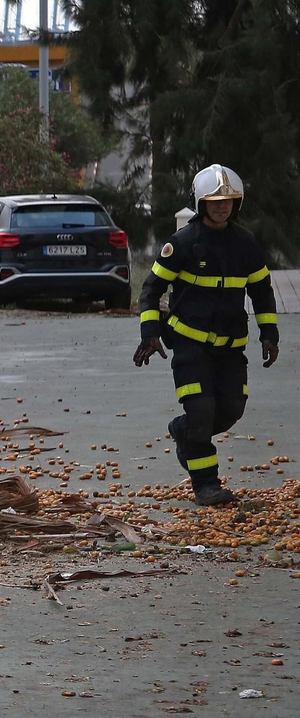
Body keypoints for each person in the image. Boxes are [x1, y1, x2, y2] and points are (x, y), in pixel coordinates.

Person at [134, 165, 279, 506]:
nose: (221, 205)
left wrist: (269, 333)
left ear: (236, 203)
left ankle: (184, 433)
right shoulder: (182, 243)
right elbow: (151, 290)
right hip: (189, 346)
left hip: (231, 349)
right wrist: (150, 332)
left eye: (228, 199)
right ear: (200, 203)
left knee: (230, 409)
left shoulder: (246, 243)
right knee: (201, 412)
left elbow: (262, 291)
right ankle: (206, 484)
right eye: (213, 200)